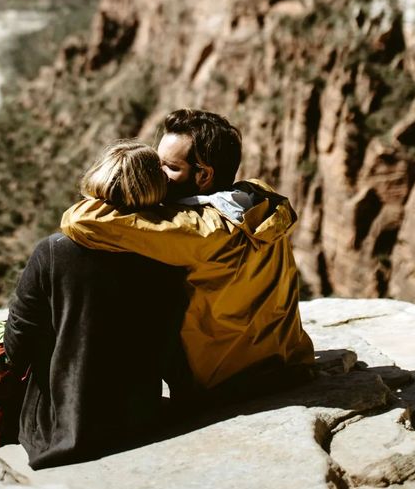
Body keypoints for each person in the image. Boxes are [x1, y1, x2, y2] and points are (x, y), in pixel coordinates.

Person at [61, 109, 314, 398]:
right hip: (283, 361)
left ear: (204, 175)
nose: (157, 173)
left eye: (169, 167)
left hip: (219, 381)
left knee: (70, 254)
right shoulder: (258, 196)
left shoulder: (197, 229)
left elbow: (79, 220)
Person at [0, 140, 188, 469]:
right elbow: (172, 342)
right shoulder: (168, 254)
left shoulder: (54, 250)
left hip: (61, 426)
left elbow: (19, 342)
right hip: (137, 417)